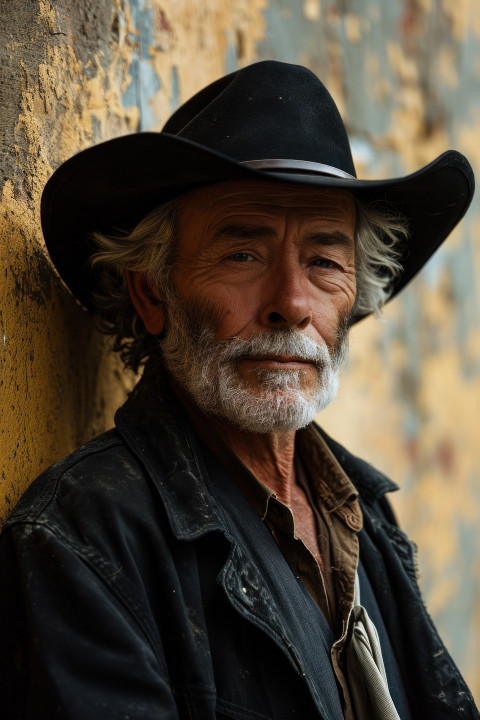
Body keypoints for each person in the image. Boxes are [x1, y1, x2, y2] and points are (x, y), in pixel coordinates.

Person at [0, 60, 478, 720]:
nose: (291, 303)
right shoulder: (84, 535)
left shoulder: (362, 512)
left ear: (353, 297)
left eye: (324, 261)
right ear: (152, 292)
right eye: (243, 254)